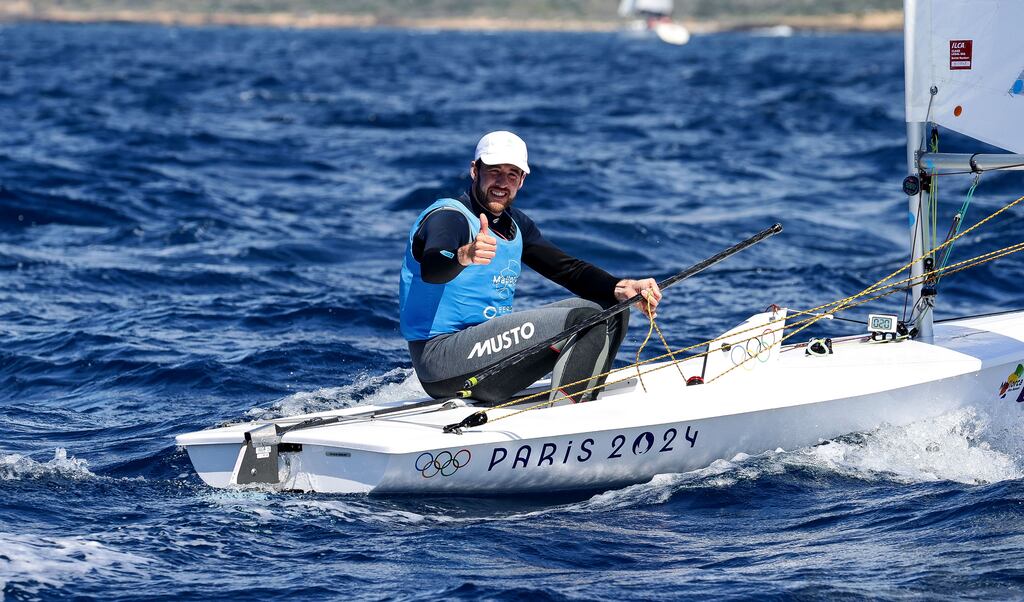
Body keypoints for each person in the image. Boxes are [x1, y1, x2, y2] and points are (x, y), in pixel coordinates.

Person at [399, 131, 662, 404]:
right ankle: (566, 421)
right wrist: (464, 255)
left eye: (512, 174)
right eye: (494, 172)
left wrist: (622, 287)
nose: (502, 182)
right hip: (440, 359)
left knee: (612, 307)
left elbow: (567, 269)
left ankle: (581, 399)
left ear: (522, 180)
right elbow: (432, 267)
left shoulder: (516, 225)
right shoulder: (448, 217)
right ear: (475, 170)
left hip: (490, 356)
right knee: (583, 317)